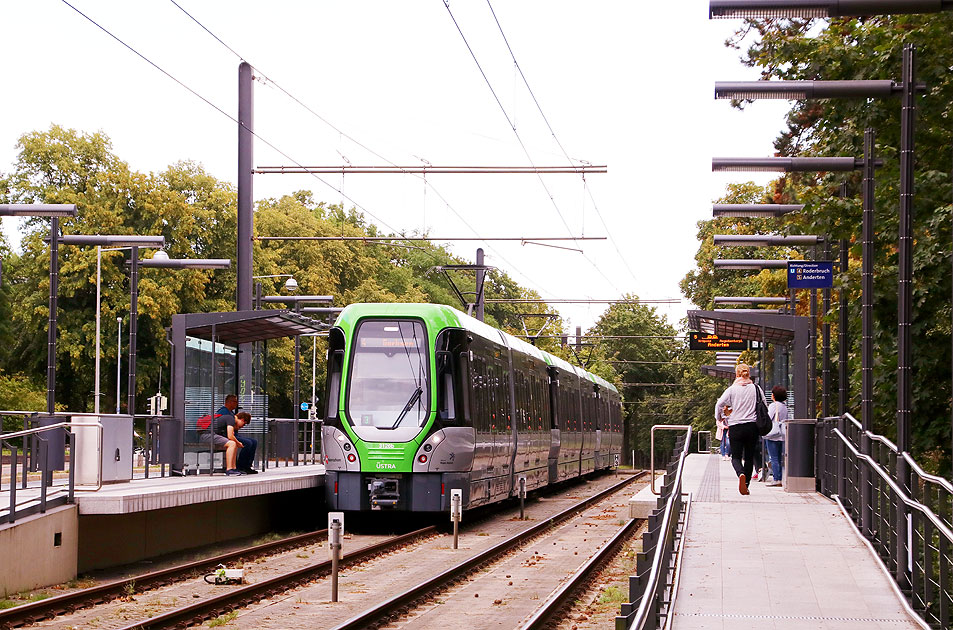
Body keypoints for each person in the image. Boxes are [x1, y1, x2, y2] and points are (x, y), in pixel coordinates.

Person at [714, 363, 768, 496]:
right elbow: (765, 404)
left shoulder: (731, 390)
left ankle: (740, 474)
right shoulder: (756, 388)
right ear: (748, 373)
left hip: (735, 427)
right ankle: (746, 485)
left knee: (736, 457)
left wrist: (720, 417)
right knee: (749, 457)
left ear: (737, 374)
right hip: (752, 427)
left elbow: (719, 404)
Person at [764, 385, 788, 487]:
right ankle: (781, 478)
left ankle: (776, 479)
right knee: (779, 458)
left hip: (773, 435)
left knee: (773, 457)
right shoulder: (784, 407)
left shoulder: (773, 406)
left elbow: (768, 417)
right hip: (782, 435)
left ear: (774, 396)